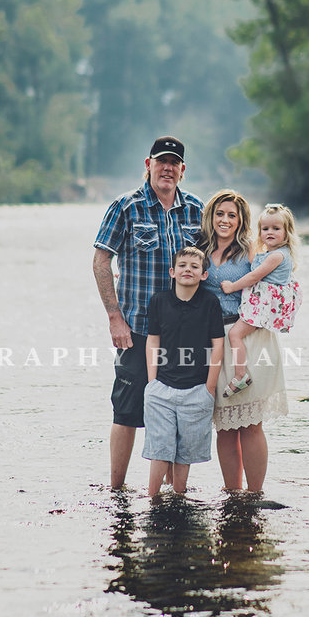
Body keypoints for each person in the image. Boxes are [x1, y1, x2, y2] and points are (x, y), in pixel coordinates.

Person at [93, 136, 203, 489]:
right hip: (137, 329)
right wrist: (115, 318)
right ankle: (117, 490)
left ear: (182, 170)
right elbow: (101, 261)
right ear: (148, 165)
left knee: (178, 411)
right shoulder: (126, 206)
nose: (167, 168)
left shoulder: (196, 210)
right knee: (126, 411)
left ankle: (171, 493)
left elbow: (212, 265)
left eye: (174, 163)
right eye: (161, 161)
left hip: (184, 333)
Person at [197, 190, 289, 493]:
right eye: (220, 214)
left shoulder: (252, 250)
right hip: (214, 340)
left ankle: (254, 494)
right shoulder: (199, 249)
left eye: (232, 215)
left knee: (250, 424)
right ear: (211, 216)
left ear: (240, 221)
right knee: (224, 425)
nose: (225, 220)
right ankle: (233, 494)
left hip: (250, 336)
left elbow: (276, 283)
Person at [143, 246, 225, 496]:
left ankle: (180, 496)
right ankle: (153, 498)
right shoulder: (159, 301)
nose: (187, 270)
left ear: (203, 275)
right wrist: (152, 382)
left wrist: (210, 387)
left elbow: (218, 344)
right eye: (182, 265)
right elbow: (153, 340)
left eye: (194, 266)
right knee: (159, 449)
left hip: (197, 390)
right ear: (172, 272)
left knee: (185, 454)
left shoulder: (210, 303)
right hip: (161, 389)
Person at [219, 203, 302, 397]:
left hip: (263, 306)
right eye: (265, 229)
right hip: (263, 303)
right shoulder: (272, 253)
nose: (269, 232)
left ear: (287, 231)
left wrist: (232, 286)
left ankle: (240, 375)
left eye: (276, 228)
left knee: (235, 334)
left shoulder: (276, 256)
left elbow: (253, 277)